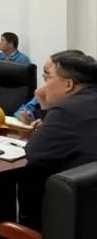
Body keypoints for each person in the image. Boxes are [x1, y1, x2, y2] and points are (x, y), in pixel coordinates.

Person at [18, 50, 97, 231]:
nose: (45, 84)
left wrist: (47, 107)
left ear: (69, 84)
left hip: (77, 216)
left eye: (48, 77)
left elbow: (34, 153)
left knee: (32, 173)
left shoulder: (67, 110)